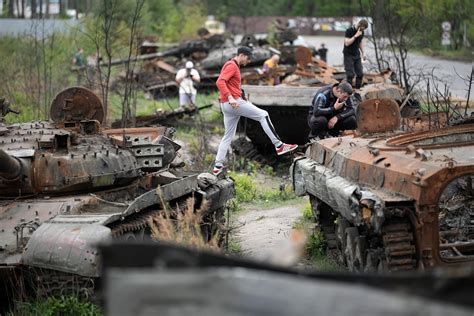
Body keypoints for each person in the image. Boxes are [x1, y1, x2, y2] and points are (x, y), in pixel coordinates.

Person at [213, 46, 298, 176]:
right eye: (248, 58)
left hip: (227, 105)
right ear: (241, 55)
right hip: (233, 103)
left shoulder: (231, 64)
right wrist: (231, 97)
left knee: (227, 136)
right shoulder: (232, 65)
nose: (248, 61)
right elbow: (220, 82)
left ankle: (217, 166)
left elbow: (232, 85)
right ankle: (279, 145)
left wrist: (240, 96)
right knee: (264, 115)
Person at [343, 19, 368, 89]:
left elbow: (360, 42)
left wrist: (363, 52)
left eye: (364, 29)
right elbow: (346, 43)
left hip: (356, 54)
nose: (362, 30)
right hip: (348, 54)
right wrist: (355, 36)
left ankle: (357, 91)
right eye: (362, 28)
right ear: (359, 25)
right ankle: (348, 92)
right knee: (350, 75)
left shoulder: (361, 32)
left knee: (360, 74)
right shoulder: (349, 31)